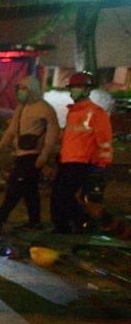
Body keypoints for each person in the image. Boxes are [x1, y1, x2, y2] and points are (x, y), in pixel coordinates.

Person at [0, 76, 59, 231]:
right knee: (29, 190)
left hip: (32, 155)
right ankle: (34, 222)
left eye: (24, 89)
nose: (21, 92)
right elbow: (11, 131)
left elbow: (53, 132)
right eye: (19, 89)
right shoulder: (21, 107)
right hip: (21, 154)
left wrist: (44, 155)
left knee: (14, 188)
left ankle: (0, 219)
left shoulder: (44, 109)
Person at [48, 72, 113, 234]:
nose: (73, 90)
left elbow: (105, 142)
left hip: (82, 163)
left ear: (88, 89)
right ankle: (64, 225)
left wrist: (101, 166)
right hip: (67, 161)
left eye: (78, 86)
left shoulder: (97, 113)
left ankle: (80, 222)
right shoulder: (74, 112)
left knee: (63, 195)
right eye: (72, 87)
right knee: (58, 195)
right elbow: (71, 137)